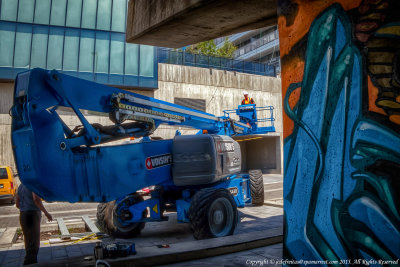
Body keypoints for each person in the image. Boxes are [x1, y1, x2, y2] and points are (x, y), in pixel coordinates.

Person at [16, 183, 52, 265]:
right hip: (32, 215)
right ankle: (30, 263)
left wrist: (25, 208)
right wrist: (46, 213)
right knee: (34, 242)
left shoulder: (21, 186)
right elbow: (36, 199)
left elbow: (17, 203)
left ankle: (28, 261)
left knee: (28, 241)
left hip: (23, 214)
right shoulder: (33, 184)